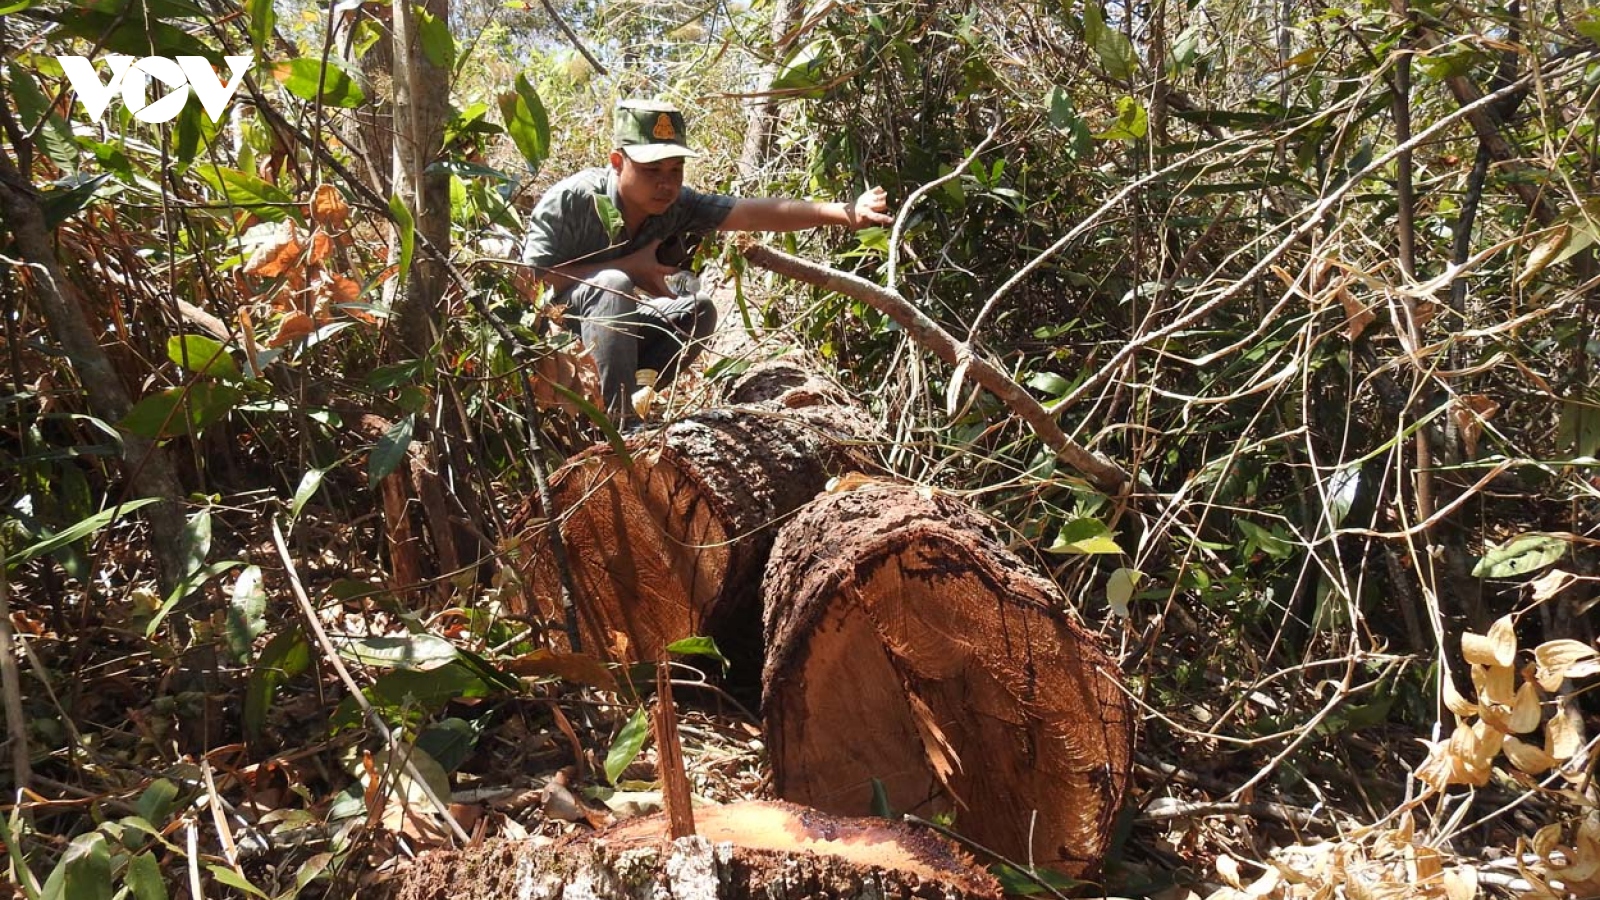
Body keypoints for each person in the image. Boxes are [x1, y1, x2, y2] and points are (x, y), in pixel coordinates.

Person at [521, 98, 893, 427]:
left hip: (606, 341)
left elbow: (753, 213)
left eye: (675, 170)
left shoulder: (677, 205)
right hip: (552, 348)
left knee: (696, 310)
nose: (666, 184)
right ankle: (621, 424)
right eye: (652, 171)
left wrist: (845, 213)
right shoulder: (572, 200)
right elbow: (527, 284)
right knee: (614, 284)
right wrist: (631, 269)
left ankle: (626, 398)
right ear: (617, 162)